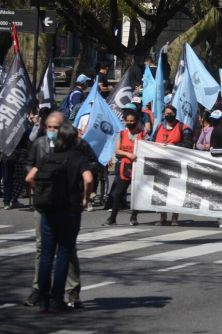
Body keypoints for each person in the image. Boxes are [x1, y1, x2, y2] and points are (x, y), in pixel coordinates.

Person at [23, 112, 95, 309]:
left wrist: (39, 192)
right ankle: (53, 296)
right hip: (67, 209)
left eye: (56, 128)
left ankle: (60, 295)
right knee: (59, 251)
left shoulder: (56, 155)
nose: (52, 131)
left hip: (47, 208)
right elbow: (89, 178)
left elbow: (30, 176)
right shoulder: (44, 146)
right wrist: (85, 198)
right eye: (49, 127)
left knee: (52, 253)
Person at [150, 105, 192, 226]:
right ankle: (163, 217)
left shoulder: (183, 127)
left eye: (171, 113)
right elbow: (151, 142)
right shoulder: (158, 127)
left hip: (176, 164)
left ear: (175, 114)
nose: (168, 115)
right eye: (166, 113)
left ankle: (174, 217)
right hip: (160, 164)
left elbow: (189, 144)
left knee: (174, 191)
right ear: (163, 115)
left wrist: (175, 146)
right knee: (160, 191)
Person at [104, 111, 144, 226]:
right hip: (125, 167)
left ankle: (134, 217)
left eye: (132, 121)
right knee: (118, 193)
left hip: (139, 167)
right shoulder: (121, 134)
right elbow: (117, 150)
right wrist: (128, 154)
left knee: (137, 193)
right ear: (125, 121)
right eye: (128, 121)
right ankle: (112, 218)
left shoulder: (143, 135)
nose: (130, 123)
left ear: (136, 121)